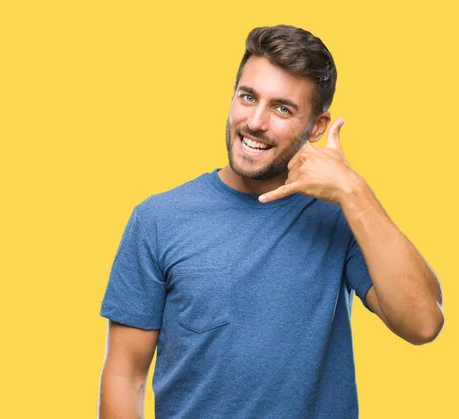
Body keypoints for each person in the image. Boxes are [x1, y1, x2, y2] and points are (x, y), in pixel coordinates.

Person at [97, 25, 444, 419]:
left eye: (282, 108)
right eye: (248, 97)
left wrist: (354, 191)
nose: (255, 122)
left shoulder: (341, 218)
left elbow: (423, 323)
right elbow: (126, 375)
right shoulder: (158, 220)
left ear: (317, 126)